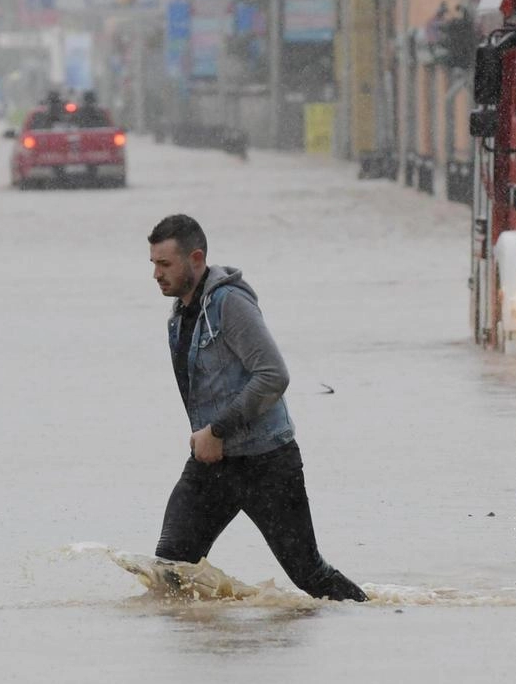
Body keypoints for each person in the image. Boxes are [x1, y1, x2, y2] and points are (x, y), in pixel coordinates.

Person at [146, 214, 367, 602]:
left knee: (309, 574)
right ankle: (193, 646)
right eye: (153, 264)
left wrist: (217, 431)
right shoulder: (180, 317)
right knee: (169, 570)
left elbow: (273, 375)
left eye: (165, 264)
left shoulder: (230, 303)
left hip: (267, 464)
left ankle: (376, 621)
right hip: (212, 465)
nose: (156, 274)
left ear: (196, 258)